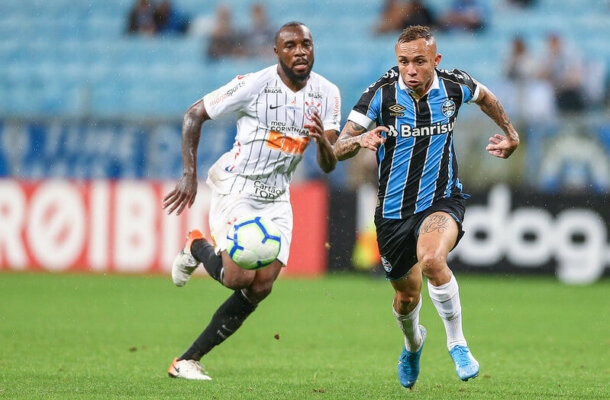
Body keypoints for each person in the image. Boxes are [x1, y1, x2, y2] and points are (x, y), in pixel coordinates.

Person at [333, 25, 519, 389]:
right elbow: (338, 147)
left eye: (420, 61)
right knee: (406, 297)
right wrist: (360, 140)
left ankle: (458, 344)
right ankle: (413, 343)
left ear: (436, 60)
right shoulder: (381, 95)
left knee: (433, 258)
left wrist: (511, 135)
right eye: (404, 62)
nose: (411, 70)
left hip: (442, 199)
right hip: (392, 213)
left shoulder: (453, 85)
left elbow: (486, 98)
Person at [163, 21, 341, 380]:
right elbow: (194, 114)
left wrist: (324, 142)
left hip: (277, 196)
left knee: (261, 287)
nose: (300, 51)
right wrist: (188, 174)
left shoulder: (328, 93)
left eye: (306, 43)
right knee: (236, 278)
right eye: (290, 45)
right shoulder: (255, 85)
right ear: (277, 53)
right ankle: (197, 246)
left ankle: (187, 359)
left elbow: (327, 164)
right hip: (238, 188)